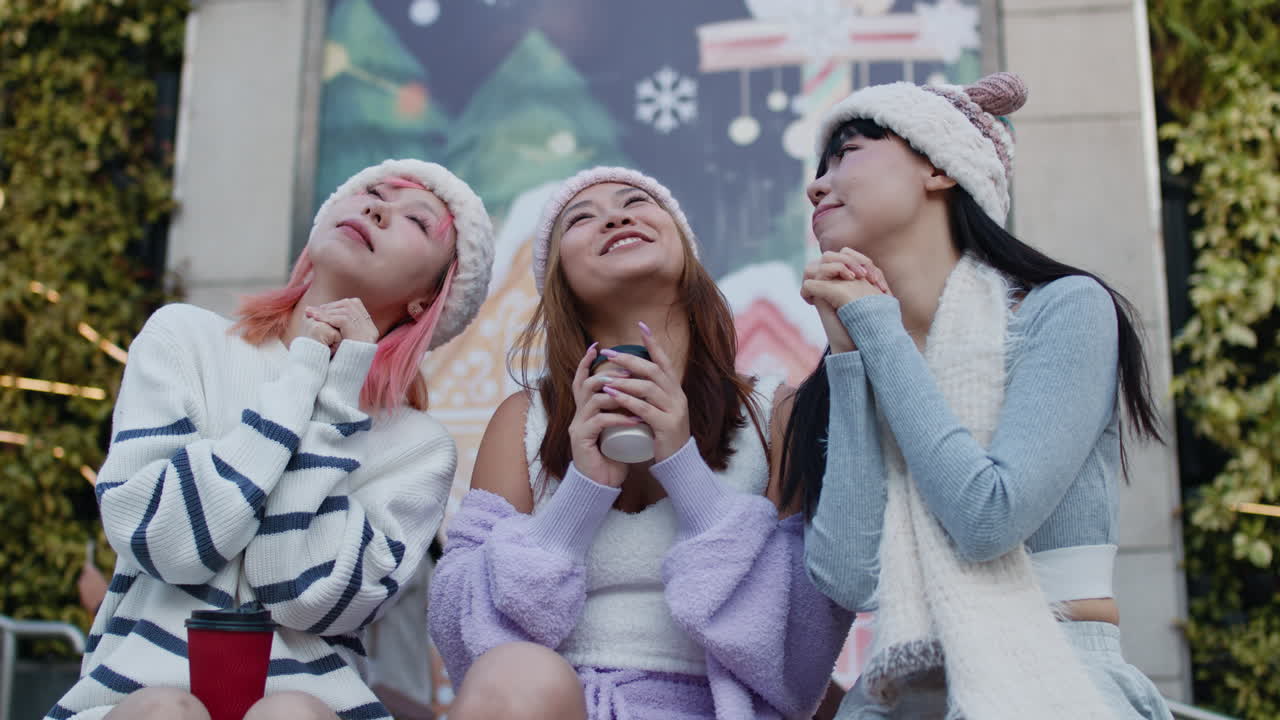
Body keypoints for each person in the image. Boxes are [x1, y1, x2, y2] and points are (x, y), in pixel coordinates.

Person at [784, 72, 1174, 719]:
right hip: (901, 694)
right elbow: (850, 579)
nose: (817, 184)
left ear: (939, 168)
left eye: (847, 152)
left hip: (1059, 672)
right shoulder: (853, 359)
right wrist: (851, 362)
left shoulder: (1063, 309)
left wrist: (879, 334)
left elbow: (989, 518)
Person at [48, 159, 495, 720]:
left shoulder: (418, 448)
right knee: (161, 710)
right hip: (132, 696)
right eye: (371, 193)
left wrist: (335, 396)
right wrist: (305, 371)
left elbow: (299, 593)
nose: (378, 207)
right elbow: (167, 543)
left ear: (428, 300)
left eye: (417, 221)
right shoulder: (184, 339)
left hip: (311, 705)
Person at [428, 166, 851, 719]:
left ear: (685, 252)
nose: (615, 216)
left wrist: (683, 466)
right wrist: (582, 493)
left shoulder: (774, 410)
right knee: (515, 673)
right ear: (560, 280)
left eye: (636, 202)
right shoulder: (526, 419)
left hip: (716, 708)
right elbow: (464, 637)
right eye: (582, 218)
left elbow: (801, 644)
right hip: (555, 704)